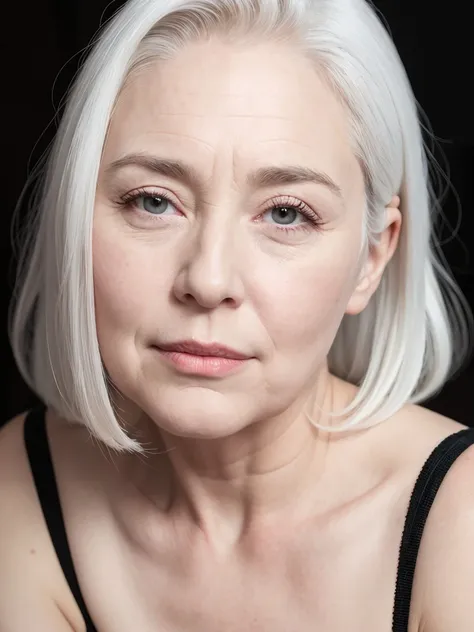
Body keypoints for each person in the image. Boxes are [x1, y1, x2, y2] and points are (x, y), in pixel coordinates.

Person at [1, 0, 473, 629]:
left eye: (286, 213)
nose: (208, 279)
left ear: (372, 255)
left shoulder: (458, 521)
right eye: (152, 201)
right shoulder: (19, 486)